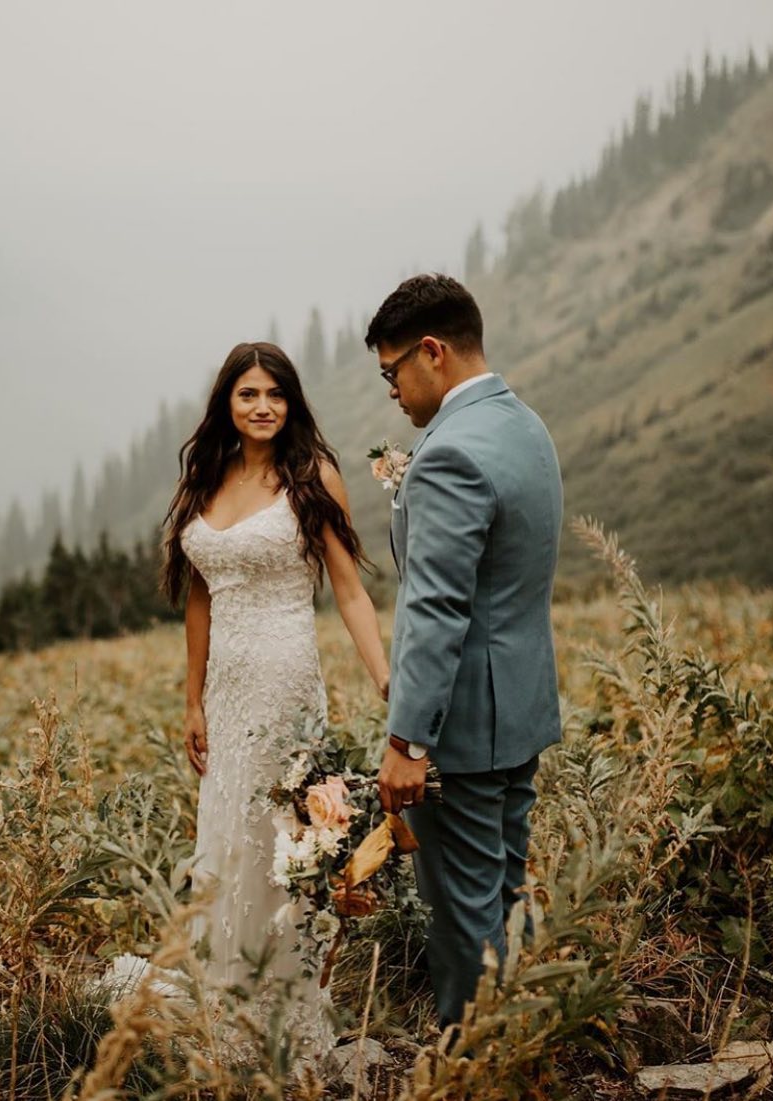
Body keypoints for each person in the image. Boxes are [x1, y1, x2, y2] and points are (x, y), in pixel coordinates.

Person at [162, 340, 390, 1066]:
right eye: (247, 394)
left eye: (275, 395)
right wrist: (192, 699)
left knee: (282, 839)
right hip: (225, 687)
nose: (262, 407)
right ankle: (227, 995)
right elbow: (199, 594)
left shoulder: (310, 476)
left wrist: (387, 677)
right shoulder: (206, 477)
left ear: (290, 404)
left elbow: (348, 588)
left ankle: (284, 1006)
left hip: (287, 678)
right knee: (226, 830)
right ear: (226, 404)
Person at [366, 274, 563, 1030]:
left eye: (391, 372)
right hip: (520, 706)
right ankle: (521, 1043)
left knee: (462, 921)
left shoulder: (449, 452)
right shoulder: (524, 426)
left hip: (462, 730)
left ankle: (472, 1062)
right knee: (507, 896)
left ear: (432, 352)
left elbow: (436, 606)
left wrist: (407, 739)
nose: (390, 391)